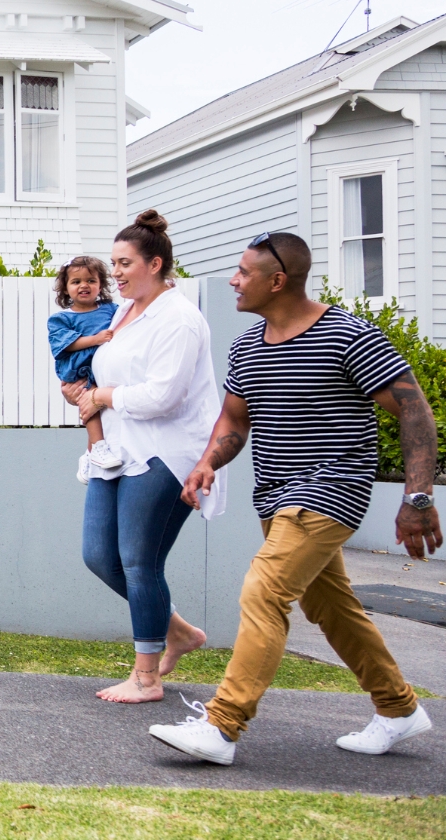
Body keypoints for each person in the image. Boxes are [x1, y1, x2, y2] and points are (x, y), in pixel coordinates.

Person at [150, 231, 437, 766]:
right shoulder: (247, 345)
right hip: (276, 496)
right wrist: (209, 461)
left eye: (243, 272)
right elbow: (236, 420)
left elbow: (415, 411)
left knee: (265, 590)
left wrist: (417, 497)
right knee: (331, 607)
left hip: (332, 489)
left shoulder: (350, 337)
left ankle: (222, 724)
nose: (233, 280)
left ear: (277, 280)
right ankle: (398, 708)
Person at [67, 210, 220, 704]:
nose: (117, 273)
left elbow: (163, 396)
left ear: (155, 264)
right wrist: (85, 395)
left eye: (125, 263)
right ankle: (178, 631)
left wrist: (105, 395)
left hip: (165, 455)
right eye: (114, 263)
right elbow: (110, 373)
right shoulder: (122, 313)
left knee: (138, 561)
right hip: (118, 451)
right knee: (99, 556)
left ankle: (147, 678)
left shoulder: (179, 319)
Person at [47, 256, 124, 484]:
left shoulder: (111, 309)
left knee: (102, 407)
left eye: (91, 280)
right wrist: (96, 339)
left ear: (101, 285)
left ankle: (90, 456)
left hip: (105, 368)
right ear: (65, 288)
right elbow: (65, 344)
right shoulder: (61, 318)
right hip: (79, 368)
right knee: (89, 401)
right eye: (76, 281)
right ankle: (98, 447)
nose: (84, 285)